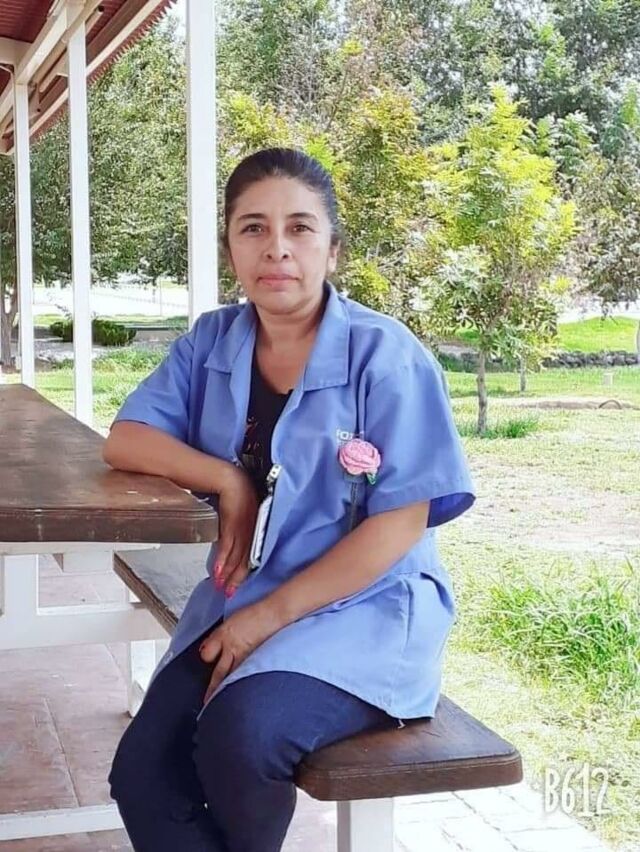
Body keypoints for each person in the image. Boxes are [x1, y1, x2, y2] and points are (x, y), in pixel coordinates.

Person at [106, 147, 476, 852]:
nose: (276, 247)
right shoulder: (212, 342)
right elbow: (127, 438)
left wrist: (265, 620)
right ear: (230, 248)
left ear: (332, 250)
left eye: (300, 228)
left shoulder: (386, 356)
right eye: (253, 228)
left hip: (362, 610)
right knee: (143, 774)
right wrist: (230, 480)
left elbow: (399, 525)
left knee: (240, 739)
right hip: (244, 598)